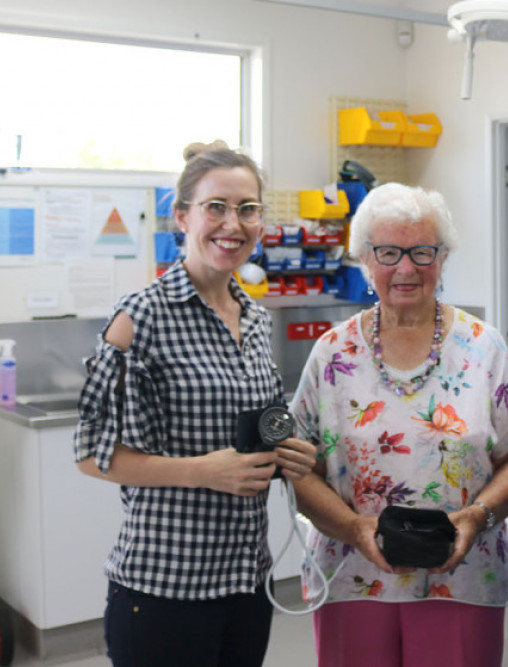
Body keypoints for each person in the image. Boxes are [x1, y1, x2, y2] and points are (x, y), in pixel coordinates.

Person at [73, 141, 318, 667]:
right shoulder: (140, 318)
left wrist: (286, 455)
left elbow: (251, 437)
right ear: (182, 216)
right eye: (216, 207)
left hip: (246, 583)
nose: (234, 223)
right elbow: (92, 454)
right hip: (165, 589)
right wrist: (202, 472)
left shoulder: (254, 319)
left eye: (248, 209)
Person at [288, 182, 508, 667]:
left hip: (463, 580)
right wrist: (354, 528)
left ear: (442, 258)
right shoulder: (332, 353)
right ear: (364, 259)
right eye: (388, 252)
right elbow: (300, 469)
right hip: (350, 577)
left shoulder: (483, 347)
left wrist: (475, 518)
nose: (406, 268)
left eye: (422, 251)